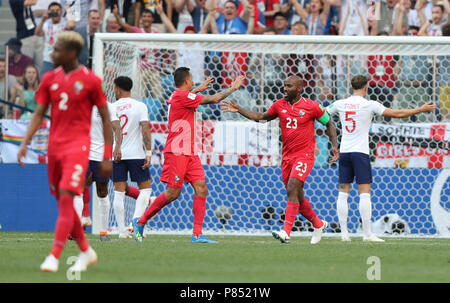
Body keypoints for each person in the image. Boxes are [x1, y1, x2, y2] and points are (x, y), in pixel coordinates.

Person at [17, 31, 113, 272]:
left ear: (71, 53)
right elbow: (39, 113)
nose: (52, 53)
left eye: (57, 49)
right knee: (63, 202)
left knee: (68, 196)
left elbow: (105, 116)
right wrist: (25, 142)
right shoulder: (49, 78)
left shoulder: (91, 80)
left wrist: (107, 155)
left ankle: (54, 255)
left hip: (79, 147)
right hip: (55, 147)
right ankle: (85, 249)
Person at [221, 75, 340, 245]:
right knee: (296, 195)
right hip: (287, 157)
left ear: (299, 88)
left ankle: (286, 232)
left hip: (304, 155)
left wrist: (334, 146)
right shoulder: (279, 105)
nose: (285, 89)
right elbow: (261, 118)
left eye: (289, 86)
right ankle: (318, 224)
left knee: (293, 187)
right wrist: (239, 109)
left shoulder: (312, 107)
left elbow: (329, 124)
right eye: (284, 85)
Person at [133, 67, 244, 243]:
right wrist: (233, 88)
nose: (193, 81)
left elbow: (187, 97)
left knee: (201, 188)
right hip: (177, 151)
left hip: (190, 152)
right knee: (173, 193)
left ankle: (197, 234)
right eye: (192, 79)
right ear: (186, 81)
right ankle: (140, 222)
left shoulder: (179, 95)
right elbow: (214, 99)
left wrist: (196, 90)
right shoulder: (182, 96)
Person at [326, 75, 436, 242]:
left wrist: (332, 140)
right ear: (366, 87)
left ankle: (344, 234)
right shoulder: (370, 104)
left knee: (343, 193)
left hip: (345, 152)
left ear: (351, 87)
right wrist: (420, 109)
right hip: (360, 153)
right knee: (364, 194)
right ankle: (367, 234)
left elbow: (321, 112)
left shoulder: (340, 104)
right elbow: (396, 113)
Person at [73, 101, 122, 241]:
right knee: (78, 189)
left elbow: (117, 128)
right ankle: (76, 230)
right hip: (82, 153)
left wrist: (117, 146)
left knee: (102, 191)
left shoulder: (108, 107)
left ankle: (103, 232)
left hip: (101, 156)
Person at [111, 76, 153, 239]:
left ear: (119, 89)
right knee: (146, 189)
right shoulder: (140, 106)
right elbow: (145, 129)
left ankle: (122, 232)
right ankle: (135, 222)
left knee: (119, 193)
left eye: (114, 88)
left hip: (117, 154)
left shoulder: (111, 107)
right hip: (136, 154)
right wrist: (148, 152)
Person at [35, 1, 76, 76]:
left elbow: (72, 25)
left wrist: (69, 11)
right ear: (49, 12)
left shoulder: (64, 22)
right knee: (45, 79)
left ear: (61, 12)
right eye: (53, 11)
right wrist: (43, 19)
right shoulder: (46, 23)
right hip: (48, 58)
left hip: (62, 58)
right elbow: (37, 33)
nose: (55, 12)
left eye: (57, 10)